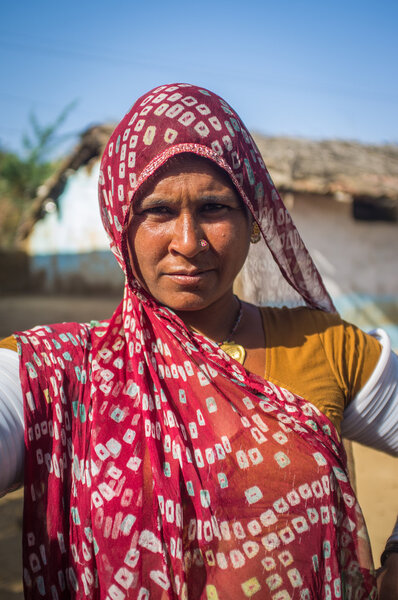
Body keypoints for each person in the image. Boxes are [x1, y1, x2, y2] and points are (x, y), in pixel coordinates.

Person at [0, 83, 397, 599]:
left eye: (214, 207)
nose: (188, 243)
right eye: (159, 211)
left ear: (253, 218)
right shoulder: (60, 371)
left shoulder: (323, 345)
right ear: (122, 225)